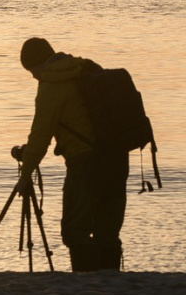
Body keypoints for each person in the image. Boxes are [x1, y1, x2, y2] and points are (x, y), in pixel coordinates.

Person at [16, 37, 129, 272]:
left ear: (38, 64)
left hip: (85, 163)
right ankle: (112, 282)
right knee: (107, 231)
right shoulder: (84, 68)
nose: (34, 77)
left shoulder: (52, 84)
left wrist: (25, 175)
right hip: (117, 158)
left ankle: (85, 283)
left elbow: (40, 136)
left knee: (75, 230)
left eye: (31, 70)